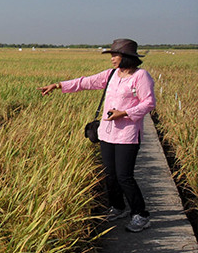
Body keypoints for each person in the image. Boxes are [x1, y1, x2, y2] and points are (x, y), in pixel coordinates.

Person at [37, 39, 156, 232]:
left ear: (126, 57)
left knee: (124, 176)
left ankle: (141, 215)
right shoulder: (111, 75)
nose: (112, 59)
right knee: (109, 175)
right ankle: (118, 207)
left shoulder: (140, 76)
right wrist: (58, 85)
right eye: (112, 55)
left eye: (115, 55)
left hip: (128, 134)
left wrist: (124, 113)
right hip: (107, 134)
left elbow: (149, 103)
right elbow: (86, 82)